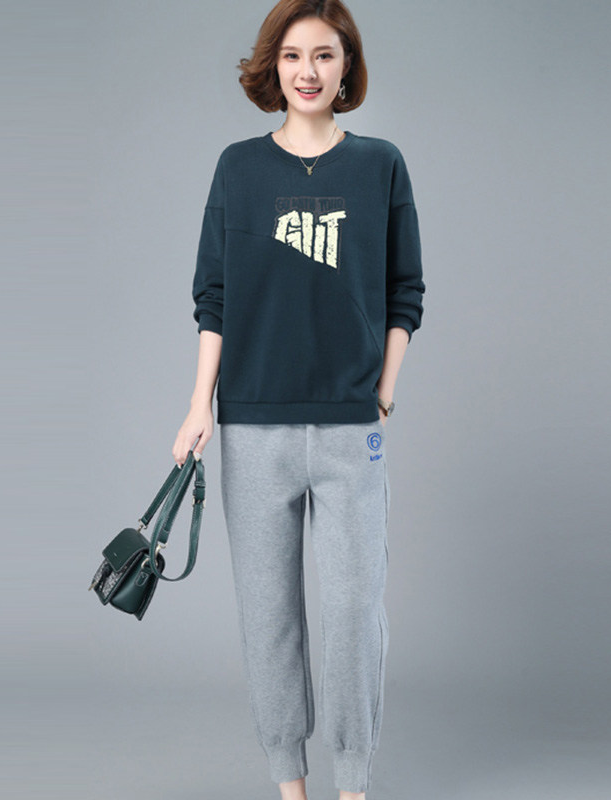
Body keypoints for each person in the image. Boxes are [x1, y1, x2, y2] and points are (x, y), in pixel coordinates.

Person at [172, 1, 425, 798]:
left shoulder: (380, 166)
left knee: (354, 616)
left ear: (346, 66)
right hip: (253, 427)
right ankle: (289, 784)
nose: (307, 72)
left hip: (352, 431)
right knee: (269, 618)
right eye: (291, 56)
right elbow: (214, 298)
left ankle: (352, 785)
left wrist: (383, 394)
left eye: (323, 55)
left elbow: (405, 292)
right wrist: (199, 405)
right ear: (271, 67)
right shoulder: (238, 169)